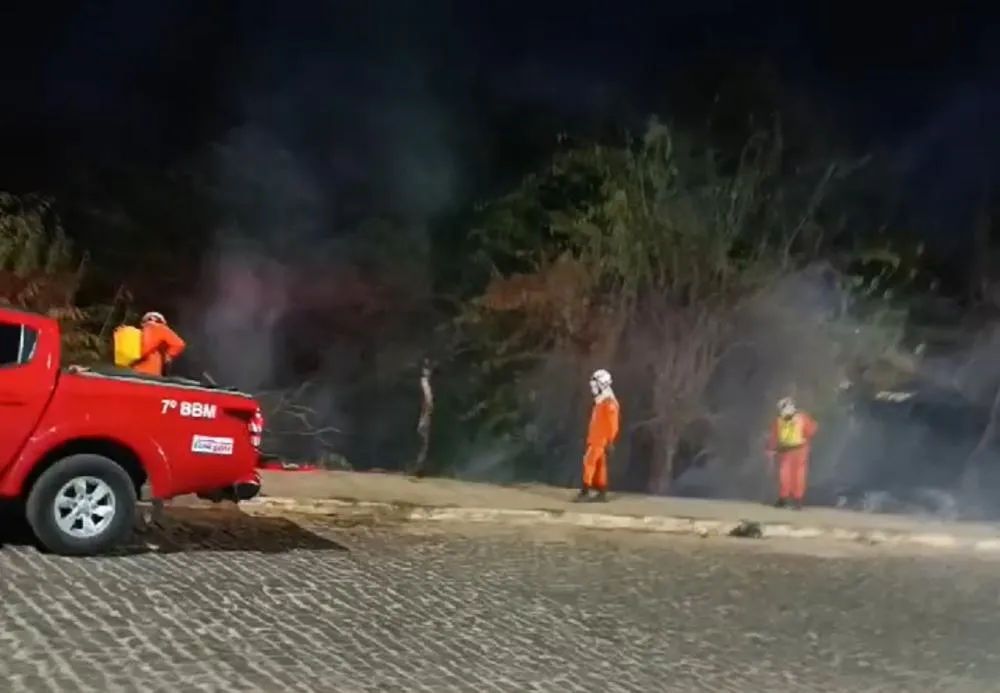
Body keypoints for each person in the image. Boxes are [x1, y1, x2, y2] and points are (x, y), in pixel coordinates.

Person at [575, 368, 620, 503]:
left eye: (595, 386)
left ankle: (585, 491)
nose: (592, 389)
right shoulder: (601, 402)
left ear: (602, 385)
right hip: (597, 438)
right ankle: (601, 491)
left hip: (600, 440)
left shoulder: (609, 404)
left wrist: (610, 441)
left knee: (589, 462)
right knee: (600, 466)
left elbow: (613, 425)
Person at [766, 396, 818, 509]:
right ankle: (787, 498)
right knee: (786, 474)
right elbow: (774, 436)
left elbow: (811, 430)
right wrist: (771, 449)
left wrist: (772, 449)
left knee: (796, 474)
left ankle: (795, 499)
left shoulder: (799, 418)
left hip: (799, 449)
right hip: (788, 450)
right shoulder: (783, 420)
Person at [131, 311, 186, 377]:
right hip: (150, 372)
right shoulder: (160, 328)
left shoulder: (137, 333)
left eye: (157, 320)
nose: (152, 322)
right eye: (149, 319)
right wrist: (168, 356)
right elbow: (179, 344)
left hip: (136, 371)